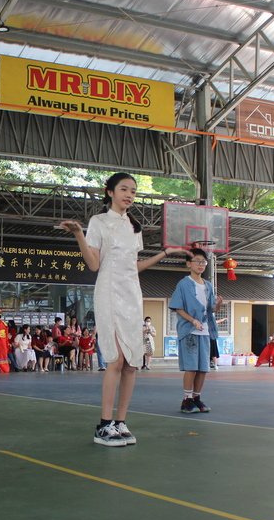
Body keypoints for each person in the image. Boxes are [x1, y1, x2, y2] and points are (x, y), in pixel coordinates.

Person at [59, 172, 182, 447]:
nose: (129, 195)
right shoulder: (99, 221)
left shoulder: (134, 228)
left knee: (131, 363)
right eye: (124, 189)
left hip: (132, 294)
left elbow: (133, 266)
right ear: (110, 192)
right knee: (115, 360)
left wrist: (164, 253)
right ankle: (103, 425)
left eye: (133, 191)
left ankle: (121, 422)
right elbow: (94, 264)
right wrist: (79, 234)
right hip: (109, 292)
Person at [169, 247, 217, 414]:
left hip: (205, 331)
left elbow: (211, 309)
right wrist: (192, 320)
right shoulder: (183, 284)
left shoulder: (208, 285)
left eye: (203, 262)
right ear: (189, 264)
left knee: (203, 368)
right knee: (191, 367)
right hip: (189, 330)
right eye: (197, 261)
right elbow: (177, 307)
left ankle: (196, 397)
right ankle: (187, 399)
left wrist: (217, 305)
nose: (201, 264)